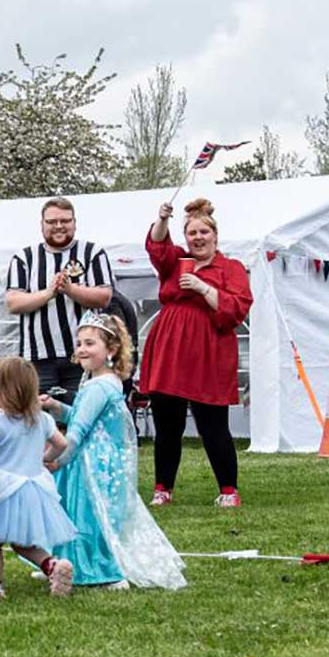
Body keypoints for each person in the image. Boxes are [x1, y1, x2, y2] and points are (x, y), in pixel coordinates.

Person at [41, 312, 185, 590]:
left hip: (90, 463)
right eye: (80, 343)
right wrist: (56, 407)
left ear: (111, 349)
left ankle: (101, 569)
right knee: (85, 514)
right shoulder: (102, 381)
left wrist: (57, 461)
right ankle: (66, 561)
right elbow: (83, 417)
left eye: (90, 343)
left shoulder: (99, 386)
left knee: (88, 516)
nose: (82, 349)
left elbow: (79, 431)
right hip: (97, 458)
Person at [142, 199, 252, 508]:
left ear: (215, 236)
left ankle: (229, 490)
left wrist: (204, 288)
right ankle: (163, 488)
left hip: (210, 353)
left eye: (204, 232)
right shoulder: (177, 261)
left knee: (213, 424)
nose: (198, 238)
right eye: (192, 233)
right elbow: (157, 248)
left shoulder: (231, 268)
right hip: (170, 349)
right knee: (167, 424)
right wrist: (161, 218)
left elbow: (237, 309)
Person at [0, 357, 78, 599]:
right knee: (22, 542)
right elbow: (61, 443)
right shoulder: (43, 420)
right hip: (31, 489)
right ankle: (51, 565)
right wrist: (46, 459)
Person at [5, 197, 113, 400]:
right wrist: (48, 293)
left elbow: (104, 297)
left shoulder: (92, 253)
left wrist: (71, 290)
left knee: (82, 417)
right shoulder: (24, 257)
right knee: (39, 420)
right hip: (37, 358)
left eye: (65, 221)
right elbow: (13, 302)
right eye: (52, 222)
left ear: (74, 222)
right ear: (42, 225)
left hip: (83, 355)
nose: (59, 226)